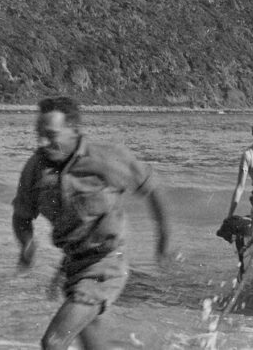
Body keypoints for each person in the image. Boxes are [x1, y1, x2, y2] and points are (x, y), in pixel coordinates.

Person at [11, 96, 171, 350]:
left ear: (73, 129)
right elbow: (21, 216)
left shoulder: (106, 158)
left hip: (106, 265)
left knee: (53, 342)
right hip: (73, 267)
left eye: (51, 135)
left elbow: (152, 189)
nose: (42, 142)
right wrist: (26, 245)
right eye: (39, 134)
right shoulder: (35, 168)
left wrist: (163, 241)